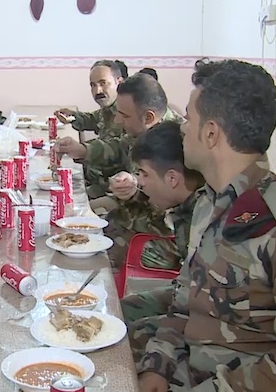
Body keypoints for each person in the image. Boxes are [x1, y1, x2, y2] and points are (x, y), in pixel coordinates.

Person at [130, 59, 276, 392]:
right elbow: (184, 302)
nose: (182, 128)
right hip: (194, 370)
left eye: (189, 118)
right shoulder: (207, 204)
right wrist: (159, 363)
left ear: (211, 133)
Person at [57, 73, 182, 269]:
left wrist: (136, 187)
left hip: (159, 238)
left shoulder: (176, 143)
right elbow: (119, 147)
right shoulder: (144, 130)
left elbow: (170, 214)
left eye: (124, 115)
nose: (116, 120)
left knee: (82, 249)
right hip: (131, 213)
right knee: (72, 225)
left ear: (148, 117)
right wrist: (83, 150)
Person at [119, 121, 204, 323]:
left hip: (204, 317)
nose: (140, 182)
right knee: (118, 310)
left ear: (172, 178)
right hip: (188, 296)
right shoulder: (187, 208)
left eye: (144, 173)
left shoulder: (204, 217)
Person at [54, 60, 126, 198]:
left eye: (103, 83)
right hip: (97, 179)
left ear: (119, 82)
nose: (98, 91)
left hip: (112, 188)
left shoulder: (128, 110)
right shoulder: (109, 108)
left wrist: (84, 150)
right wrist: (73, 117)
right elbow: (94, 119)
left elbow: (119, 148)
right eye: (93, 85)